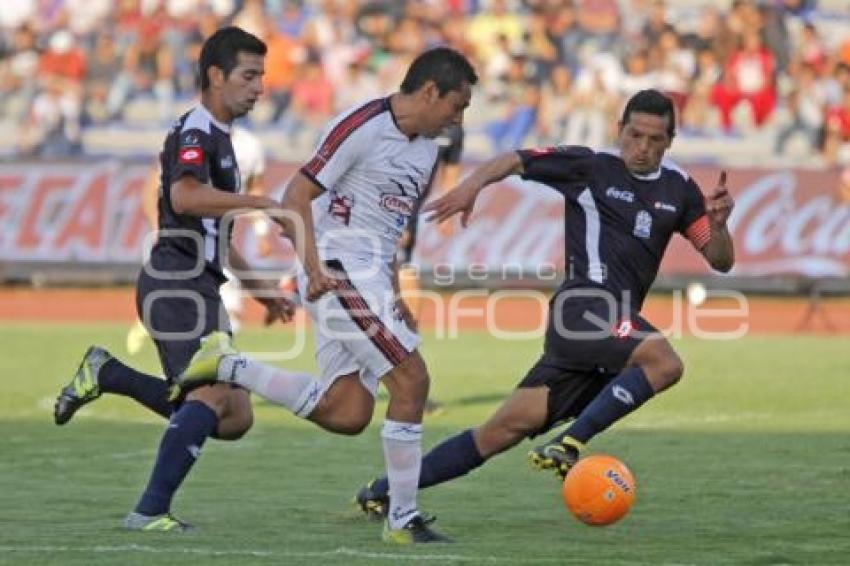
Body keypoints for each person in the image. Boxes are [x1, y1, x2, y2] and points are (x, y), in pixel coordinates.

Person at [354, 89, 735, 518]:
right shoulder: (591, 166)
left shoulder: (679, 189)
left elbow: (719, 259)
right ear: (620, 130)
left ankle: (383, 490)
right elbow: (515, 159)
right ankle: (570, 442)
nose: (642, 148)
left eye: (654, 139)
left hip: (610, 332)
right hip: (583, 309)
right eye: (634, 135)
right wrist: (471, 186)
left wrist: (719, 226)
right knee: (665, 363)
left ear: (671, 140)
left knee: (498, 431)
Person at [175, 46, 478, 544]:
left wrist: (395, 287)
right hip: (338, 270)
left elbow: (388, 224)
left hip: (372, 276)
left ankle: (228, 365)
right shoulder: (361, 125)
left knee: (348, 411)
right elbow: (297, 195)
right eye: (457, 104)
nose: (458, 116)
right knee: (412, 379)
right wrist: (313, 269)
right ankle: (402, 520)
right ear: (429, 90)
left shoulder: (427, 147)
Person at [53, 27, 296, 532]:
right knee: (208, 398)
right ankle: (148, 510)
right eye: (249, 76)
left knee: (235, 417)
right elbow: (184, 198)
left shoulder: (224, 141)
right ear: (215, 75)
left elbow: (219, 235)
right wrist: (256, 202)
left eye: (261, 77)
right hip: (175, 282)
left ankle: (109, 373)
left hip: (201, 286)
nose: (258, 88)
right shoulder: (196, 131)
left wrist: (264, 294)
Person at [125, 123, 270, 353]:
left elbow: (256, 189)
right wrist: (158, 228)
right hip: (184, 241)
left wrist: (261, 230)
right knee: (197, 320)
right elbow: (151, 187)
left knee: (223, 320)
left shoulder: (250, 145)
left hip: (218, 242)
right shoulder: (187, 138)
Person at [395, 122, 465, 415]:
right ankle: (409, 388)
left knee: (405, 309)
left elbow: (450, 169)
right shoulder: (409, 123)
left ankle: (407, 388)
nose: (460, 112)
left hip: (405, 220)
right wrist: (394, 218)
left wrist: (450, 206)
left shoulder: (454, 131)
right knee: (402, 308)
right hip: (385, 218)